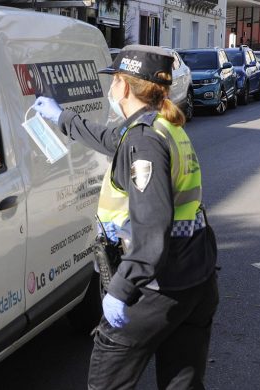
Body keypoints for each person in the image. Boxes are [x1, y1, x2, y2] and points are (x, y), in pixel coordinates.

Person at [33, 45, 219, 390]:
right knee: (183, 384)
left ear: (123, 85)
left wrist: (120, 289)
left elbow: (151, 231)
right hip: (196, 276)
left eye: (114, 80)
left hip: (158, 286)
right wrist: (62, 118)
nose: (111, 88)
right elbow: (112, 140)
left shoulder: (144, 141)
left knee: (107, 382)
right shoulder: (161, 127)